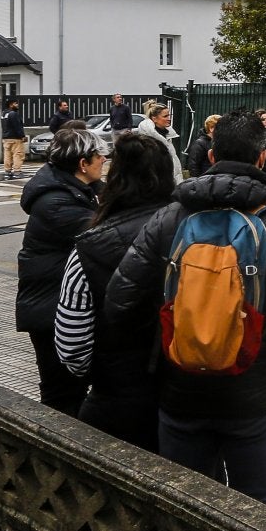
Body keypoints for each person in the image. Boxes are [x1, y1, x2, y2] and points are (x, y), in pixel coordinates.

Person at [106, 108, 266, 509]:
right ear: (263, 158)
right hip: (254, 395)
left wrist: (168, 344)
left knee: (188, 505)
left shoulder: (171, 216)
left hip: (180, 392)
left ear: (210, 155)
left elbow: (119, 300)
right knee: (258, 504)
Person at [55, 131, 174, 453]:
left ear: (116, 178)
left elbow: (72, 348)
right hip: (189, 402)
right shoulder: (197, 233)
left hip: (117, 404)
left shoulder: (90, 245)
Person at [17, 128, 105, 415]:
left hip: (58, 304)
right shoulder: (56, 203)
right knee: (61, 394)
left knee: (72, 389)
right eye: (99, 157)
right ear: (83, 164)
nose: (103, 160)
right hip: (49, 310)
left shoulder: (76, 188)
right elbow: (104, 234)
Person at [136, 100, 181, 183]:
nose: (169, 119)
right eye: (165, 116)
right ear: (154, 118)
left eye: (169, 115)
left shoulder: (167, 135)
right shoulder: (149, 139)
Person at [185, 114, 221, 179]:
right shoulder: (200, 143)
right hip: (204, 180)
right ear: (211, 128)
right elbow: (193, 165)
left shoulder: (219, 142)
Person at [1, 99, 27, 180]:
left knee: (7, 155)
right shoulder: (13, 114)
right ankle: (17, 171)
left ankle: (7, 171)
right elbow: (17, 126)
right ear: (11, 105)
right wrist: (22, 135)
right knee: (18, 154)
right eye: (16, 103)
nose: (17, 105)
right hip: (15, 137)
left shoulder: (3, 114)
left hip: (6, 138)